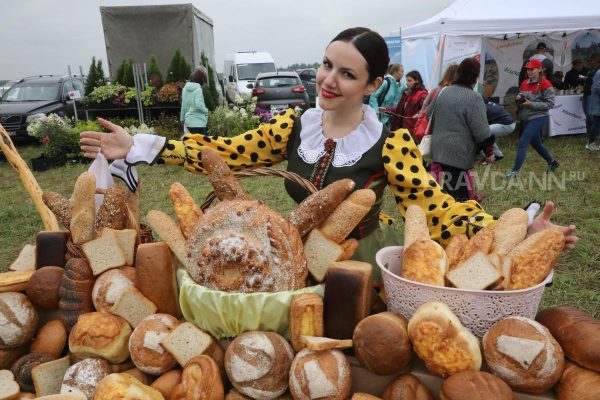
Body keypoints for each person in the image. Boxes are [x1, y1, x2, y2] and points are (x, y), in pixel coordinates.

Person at [80, 27, 577, 272]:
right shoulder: (296, 125)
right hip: (292, 254)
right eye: (325, 65)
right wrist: (143, 145)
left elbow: (435, 206)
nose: (328, 80)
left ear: (373, 83)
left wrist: (519, 230)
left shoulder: (389, 142)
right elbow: (226, 153)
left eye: (347, 73)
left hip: (358, 259)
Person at [427, 58, 494, 201]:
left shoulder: (442, 91)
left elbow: (428, 115)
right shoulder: (473, 98)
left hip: (438, 148)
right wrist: (489, 151)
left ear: (458, 73)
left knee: (446, 190)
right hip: (459, 152)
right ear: (475, 78)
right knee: (459, 195)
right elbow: (482, 131)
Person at [506, 59, 560, 178]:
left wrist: (531, 104)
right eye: (528, 69)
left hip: (539, 117)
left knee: (523, 142)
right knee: (536, 144)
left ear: (539, 70)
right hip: (526, 118)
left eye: (532, 69)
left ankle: (514, 173)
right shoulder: (525, 82)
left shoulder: (546, 84)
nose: (529, 71)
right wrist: (518, 98)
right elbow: (522, 99)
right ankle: (553, 163)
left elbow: (550, 104)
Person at [481, 97, 516, 162]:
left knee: (483, 132)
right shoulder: (489, 104)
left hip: (506, 125)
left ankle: (489, 156)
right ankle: (498, 155)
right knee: (487, 133)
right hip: (509, 124)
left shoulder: (484, 108)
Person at [368, 63, 403, 128]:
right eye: (401, 71)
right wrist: (376, 112)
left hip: (392, 120)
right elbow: (373, 96)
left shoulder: (398, 85)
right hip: (380, 119)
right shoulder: (386, 82)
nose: (403, 74)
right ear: (395, 72)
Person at [180, 67, 209, 134]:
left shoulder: (185, 89)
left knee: (191, 143)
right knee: (201, 143)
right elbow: (199, 105)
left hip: (188, 123)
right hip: (199, 123)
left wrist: (182, 119)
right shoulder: (198, 89)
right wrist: (206, 110)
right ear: (200, 80)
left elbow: (183, 105)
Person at [583, 53, 600, 149]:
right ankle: (591, 143)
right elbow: (598, 88)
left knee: (597, 122)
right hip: (598, 102)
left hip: (596, 100)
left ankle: (591, 143)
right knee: (596, 123)